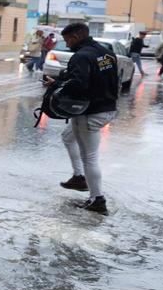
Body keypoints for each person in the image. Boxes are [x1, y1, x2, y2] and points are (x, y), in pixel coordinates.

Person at [45, 23, 119, 214]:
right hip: (108, 107)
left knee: (90, 157)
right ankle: (78, 177)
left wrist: (58, 85)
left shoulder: (82, 56)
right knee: (68, 137)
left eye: (68, 39)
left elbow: (79, 84)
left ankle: (97, 199)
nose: (68, 44)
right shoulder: (106, 53)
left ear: (77, 36)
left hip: (90, 112)